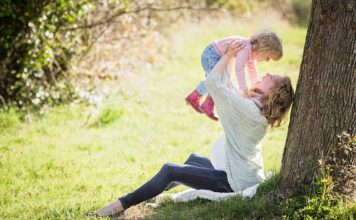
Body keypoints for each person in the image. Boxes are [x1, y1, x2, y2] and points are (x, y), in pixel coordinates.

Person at [93, 40, 293, 217]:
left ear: (271, 92)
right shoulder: (255, 108)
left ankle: (120, 205)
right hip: (245, 173)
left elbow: (213, 83)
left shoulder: (248, 110)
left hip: (236, 182)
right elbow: (229, 89)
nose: (266, 73)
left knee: (170, 170)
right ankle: (147, 194)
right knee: (192, 160)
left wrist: (228, 55)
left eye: (271, 77)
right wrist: (231, 57)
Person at [185, 30, 283, 121]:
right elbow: (239, 69)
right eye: (269, 57)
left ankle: (208, 104)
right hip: (211, 54)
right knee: (215, 79)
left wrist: (255, 84)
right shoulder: (246, 48)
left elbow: (252, 69)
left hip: (217, 56)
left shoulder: (251, 52)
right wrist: (243, 89)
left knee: (219, 81)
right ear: (265, 49)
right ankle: (195, 96)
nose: (267, 60)